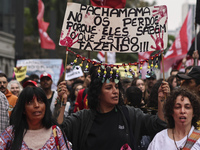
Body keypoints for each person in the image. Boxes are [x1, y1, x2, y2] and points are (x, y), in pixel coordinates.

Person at [56, 66, 169, 150]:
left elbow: (158, 125)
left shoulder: (130, 115)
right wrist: (61, 103)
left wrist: (161, 100)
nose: (115, 91)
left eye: (116, 87)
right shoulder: (83, 118)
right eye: (109, 88)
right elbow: (58, 133)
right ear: (98, 93)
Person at [0, 87, 72, 150]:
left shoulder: (56, 132)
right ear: (23, 109)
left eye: (40, 101)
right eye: (30, 102)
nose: (36, 105)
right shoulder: (11, 133)